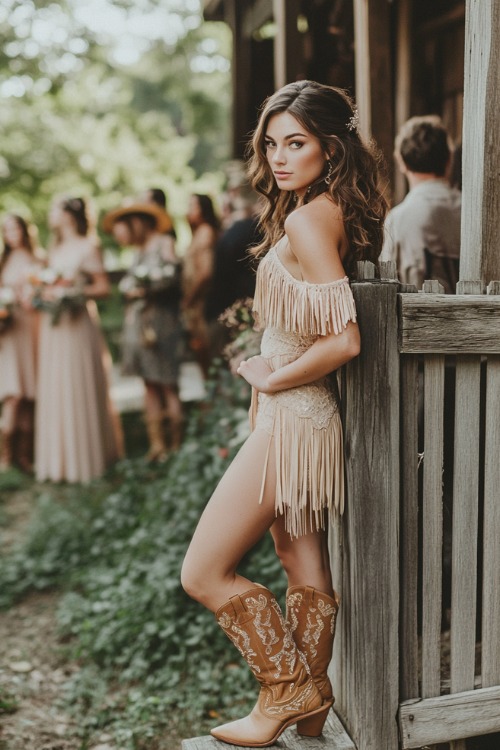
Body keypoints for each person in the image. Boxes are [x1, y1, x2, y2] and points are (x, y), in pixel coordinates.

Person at [181, 80, 387, 747]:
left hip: (294, 416)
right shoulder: (323, 210)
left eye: (294, 142)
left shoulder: (305, 218)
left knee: (204, 571)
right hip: (300, 418)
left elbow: (345, 338)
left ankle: (285, 687)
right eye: (271, 143)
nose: (278, 156)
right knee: (299, 559)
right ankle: (311, 707)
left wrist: (268, 381)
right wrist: (268, 384)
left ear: (331, 147)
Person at [35, 197, 123, 483]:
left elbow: (102, 287)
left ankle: (87, 461)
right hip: (54, 326)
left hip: (78, 325)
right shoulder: (56, 247)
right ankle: (59, 463)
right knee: (57, 385)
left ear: (68, 216)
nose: (50, 214)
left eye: (53, 210)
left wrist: (74, 293)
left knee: (76, 383)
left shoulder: (88, 246)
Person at [103, 201, 184, 460]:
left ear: (136, 223)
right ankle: (157, 445)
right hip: (140, 324)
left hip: (162, 322)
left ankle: (176, 445)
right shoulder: (137, 252)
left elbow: (175, 279)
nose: (120, 235)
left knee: (167, 383)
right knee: (149, 384)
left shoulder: (164, 243)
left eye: (123, 228)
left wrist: (147, 289)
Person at [381, 115, 461, 293]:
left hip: (420, 318)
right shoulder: (476, 215)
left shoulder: (398, 219)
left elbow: (386, 286)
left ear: (401, 162)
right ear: (449, 160)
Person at [0, 215, 42, 472]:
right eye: (6, 230)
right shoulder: (3, 262)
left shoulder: (38, 260)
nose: (10, 233)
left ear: (25, 230)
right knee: (13, 395)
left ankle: (25, 456)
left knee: (29, 395)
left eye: (14, 228)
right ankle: (5, 457)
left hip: (32, 329)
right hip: (9, 333)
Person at [182, 194, 219, 377]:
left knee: (207, 351)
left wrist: (190, 298)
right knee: (200, 351)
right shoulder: (197, 233)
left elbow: (205, 272)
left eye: (193, 206)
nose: (188, 211)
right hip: (196, 304)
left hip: (203, 302)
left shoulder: (205, 232)